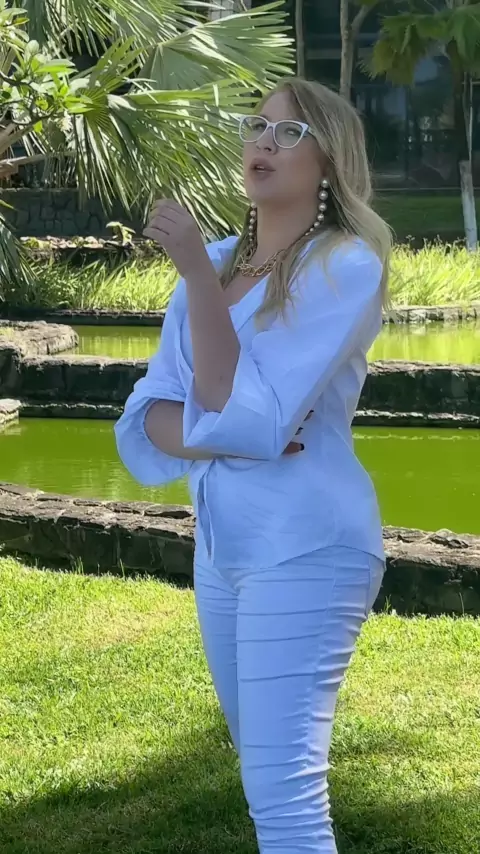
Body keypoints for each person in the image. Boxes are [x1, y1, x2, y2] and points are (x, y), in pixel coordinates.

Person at [115, 77, 392, 854]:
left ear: (330, 161)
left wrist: (198, 288)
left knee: (285, 799)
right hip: (223, 548)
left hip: (307, 544)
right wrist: (229, 432)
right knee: (261, 772)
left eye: (291, 133)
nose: (265, 142)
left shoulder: (343, 266)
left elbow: (234, 406)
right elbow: (152, 413)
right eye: (258, 126)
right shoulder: (213, 260)